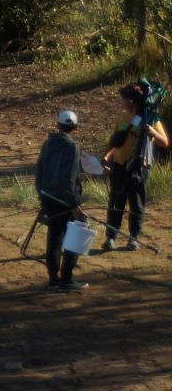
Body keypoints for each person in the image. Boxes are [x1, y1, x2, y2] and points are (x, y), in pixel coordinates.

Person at [102, 82, 169, 251]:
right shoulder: (125, 117)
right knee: (116, 202)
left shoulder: (151, 118)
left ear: (132, 101)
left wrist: (152, 132)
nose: (122, 102)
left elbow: (164, 142)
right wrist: (106, 156)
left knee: (136, 203)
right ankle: (111, 237)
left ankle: (134, 237)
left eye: (124, 99)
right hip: (119, 165)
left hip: (139, 167)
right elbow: (117, 140)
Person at [35, 110, 89, 289]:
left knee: (54, 238)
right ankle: (66, 278)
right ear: (75, 128)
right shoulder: (72, 147)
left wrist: (42, 197)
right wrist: (74, 205)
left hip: (48, 198)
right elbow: (69, 180)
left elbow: (39, 172)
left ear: (57, 125)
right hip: (65, 201)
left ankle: (53, 279)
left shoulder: (48, 143)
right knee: (77, 234)